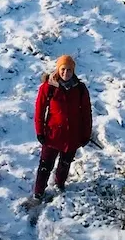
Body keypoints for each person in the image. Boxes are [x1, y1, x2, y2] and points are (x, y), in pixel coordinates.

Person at [32, 54, 93, 201]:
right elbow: (39, 111)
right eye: (63, 69)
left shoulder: (80, 89)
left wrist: (86, 134)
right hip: (53, 135)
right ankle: (38, 191)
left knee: (65, 164)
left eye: (69, 70)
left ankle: (60, 184)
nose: (66, 73)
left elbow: (86, 113)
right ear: (58, 69)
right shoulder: (48, 87)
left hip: (72, 135)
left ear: (74, 71)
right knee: (45, 166)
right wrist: (40, 131)